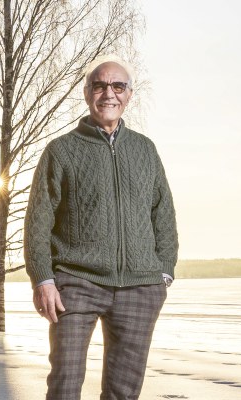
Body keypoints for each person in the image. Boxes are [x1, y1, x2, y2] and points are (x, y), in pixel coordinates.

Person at [23, 57, 178, 400]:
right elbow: (38, 219)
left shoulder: (145, 149)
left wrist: (163, 272)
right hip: (76, 283)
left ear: (129, 95)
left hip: (140, 286)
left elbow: (163, 212)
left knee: (124, 392)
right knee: (65, 382)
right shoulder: (61, 150)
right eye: (100, 85)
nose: (109, 93)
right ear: (87, 93)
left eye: (118, 86)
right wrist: (43, 279)